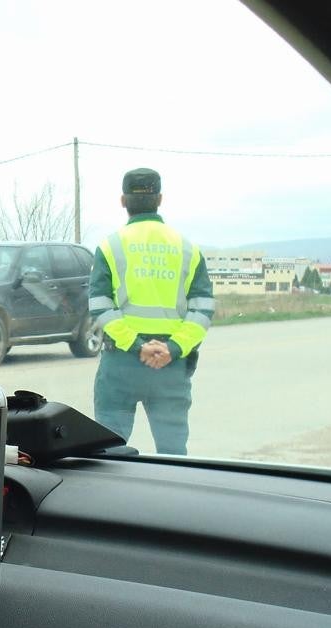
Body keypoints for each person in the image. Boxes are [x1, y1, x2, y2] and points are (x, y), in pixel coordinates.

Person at [90, 168, 215, 455]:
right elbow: (203, 309)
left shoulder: (110, 246)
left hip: (121, 363)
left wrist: (137, 347)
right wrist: (172, 348)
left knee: (109, 453)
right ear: (160, 199)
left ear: (123, 200)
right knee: (173, 453)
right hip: (170, 366)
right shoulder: (187, 248)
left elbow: (99, 306)